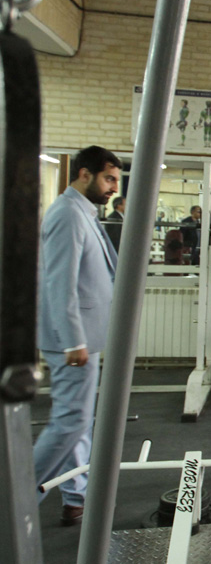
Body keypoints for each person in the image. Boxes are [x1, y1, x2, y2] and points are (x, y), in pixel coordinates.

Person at [34, 146, 122, 526]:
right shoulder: (68, 214)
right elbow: (60, 282)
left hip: (86, 337)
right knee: (70, 422)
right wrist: (74, 341)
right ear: (84, 174)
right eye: (108, 179)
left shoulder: (84, 212)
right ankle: (16, 497)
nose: (113, 188)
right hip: (74, 341)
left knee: (80, 421)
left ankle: (76, 496)